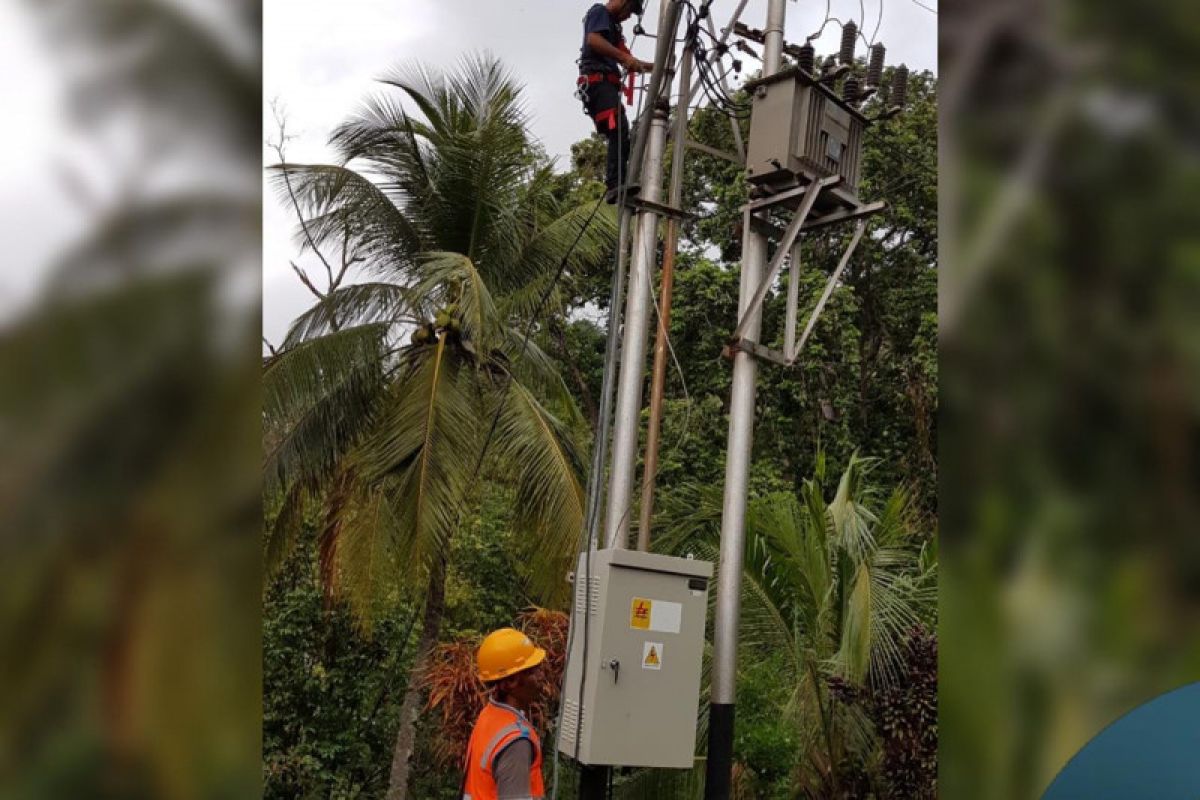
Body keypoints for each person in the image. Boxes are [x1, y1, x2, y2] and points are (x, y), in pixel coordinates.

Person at [577, 0, 654, 203]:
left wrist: (656, 66)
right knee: (619, 127)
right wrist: (623, 58)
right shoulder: (599, 12)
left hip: (605, 85)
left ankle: (618, 181)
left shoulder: (614, 28)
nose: (628, 17)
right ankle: (614, 184)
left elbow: (629, 59)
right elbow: (593, 40)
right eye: (629, 11)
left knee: (620, 130)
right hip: (597, 82)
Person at [461, 628, 548, 800]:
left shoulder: (489, 715)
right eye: (532, 671)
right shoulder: (515, 741)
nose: (541, 675)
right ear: (510, 682)